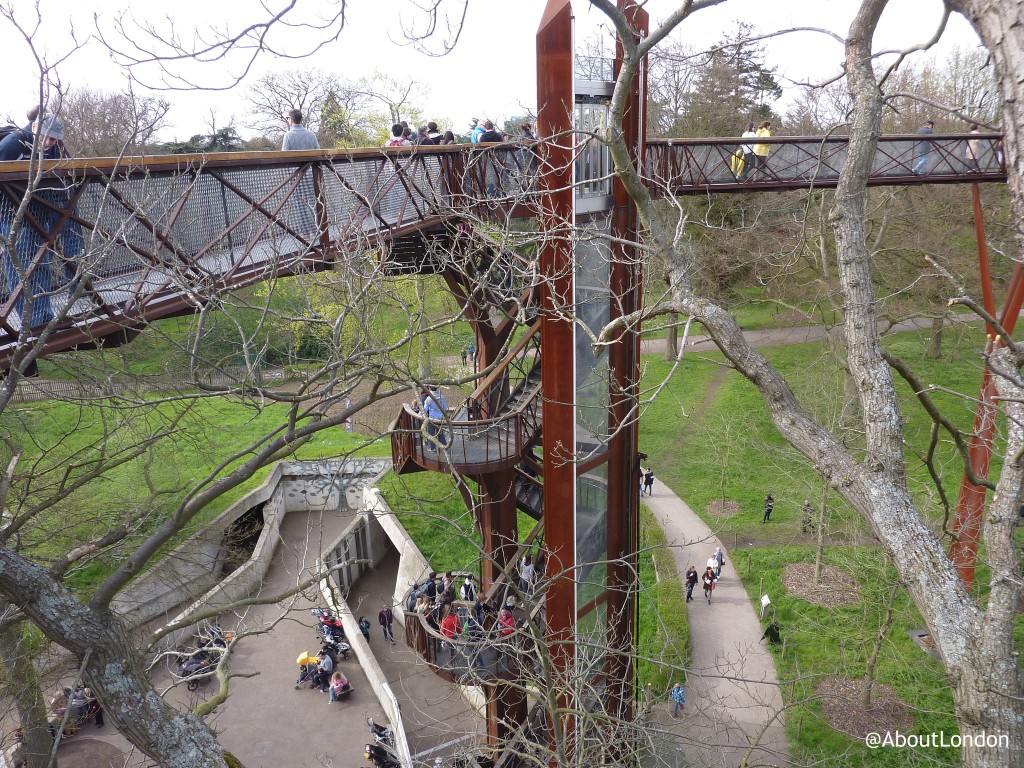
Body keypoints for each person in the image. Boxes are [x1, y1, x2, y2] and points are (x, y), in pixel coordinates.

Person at [0, 113, 83, 328]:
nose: (49, 142)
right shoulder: (12, 144)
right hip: (13, 215)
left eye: (54, 139)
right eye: (47, 137)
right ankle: (33, 322)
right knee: (22, 269)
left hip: (38, 213)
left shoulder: (53, 147)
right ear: (35, 127)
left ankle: (44, 318)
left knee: (40, 265)